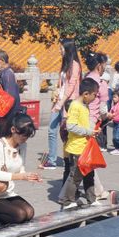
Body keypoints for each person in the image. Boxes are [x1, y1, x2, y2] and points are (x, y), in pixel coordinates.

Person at [0, 113, 41, 229]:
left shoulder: (23, 146)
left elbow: (21, 169)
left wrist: (30, 176)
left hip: (8, 191)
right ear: (13, 130)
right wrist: (22, 177)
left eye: (27, 136)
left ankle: (1, 217)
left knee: (29, 212)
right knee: (20, 215)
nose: (25, 139)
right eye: (23, 135)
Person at [58, 78, 99, 209]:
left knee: (89, 174)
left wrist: (92, 131)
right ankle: (67, 201)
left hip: (85, 146)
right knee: (75, 176)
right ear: (86, 94)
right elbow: (71, 126)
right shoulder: (75, 106)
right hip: (77, 147)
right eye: (94, 95)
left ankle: (91, 198)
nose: (95, 97)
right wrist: (88, 132)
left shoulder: (83, 106)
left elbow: (84, 123)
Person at [46, 39, 81, 169]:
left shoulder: (75, 65)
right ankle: (52, 159)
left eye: (61, 48)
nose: (60, 51)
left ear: (68, 50)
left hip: (67, 103)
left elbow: (71, 86)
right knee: (51, 130)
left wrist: (61, 103)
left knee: (65, 132)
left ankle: (69, 158)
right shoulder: (65, 64)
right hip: (58, 100)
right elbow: (62, 83)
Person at [0, 50, 22, 138]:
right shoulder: (5, 73)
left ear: (1, 61)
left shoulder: (7, 74)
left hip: (9, 114)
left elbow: (10, 97)